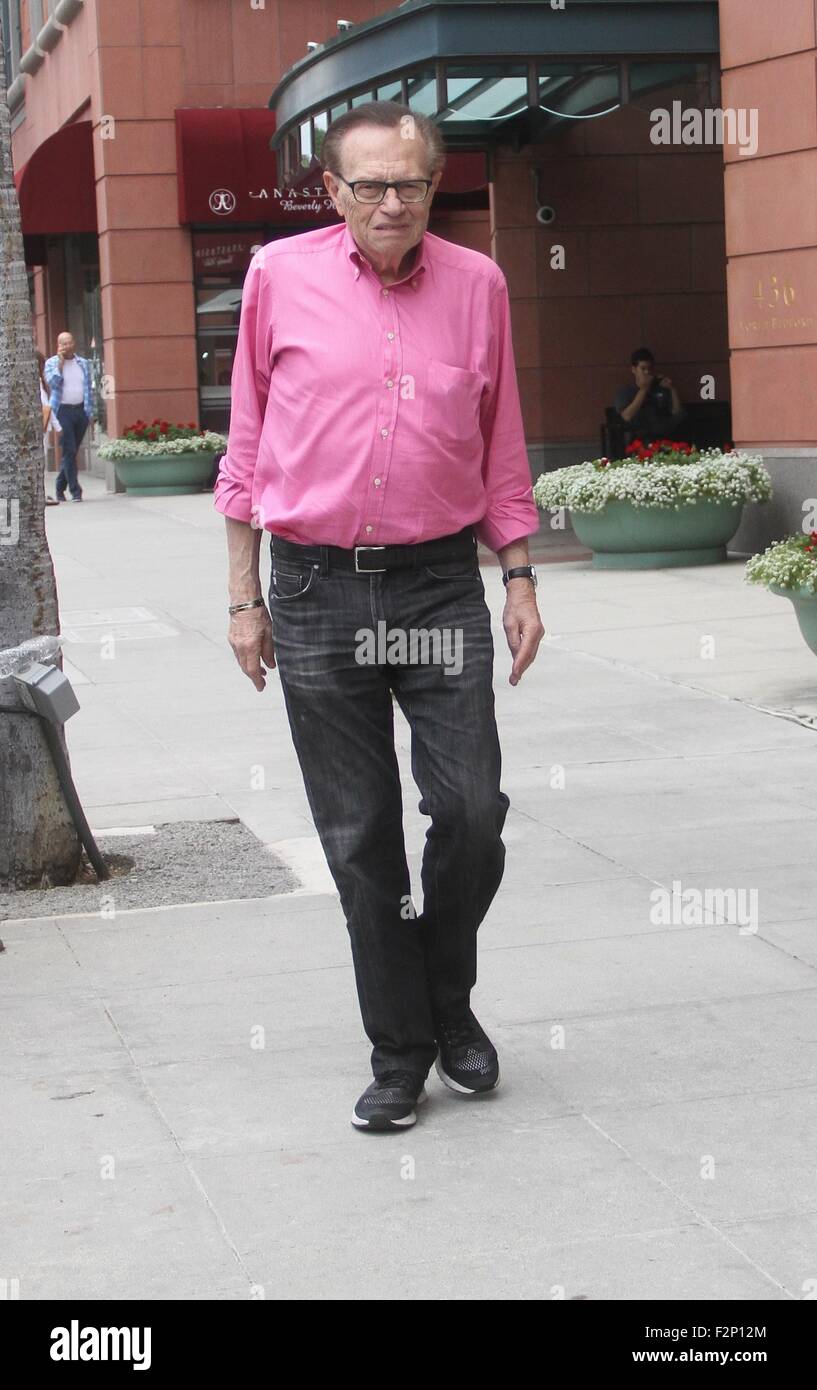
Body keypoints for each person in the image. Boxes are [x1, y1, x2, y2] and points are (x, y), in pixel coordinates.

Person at [214, 100, 545, 1132]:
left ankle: (443, 995)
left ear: (434, 181)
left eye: (409, 182)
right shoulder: (279, 275)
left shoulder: (478, 285)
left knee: (474, 812)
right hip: (314, 588)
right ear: (334, 193)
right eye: (369, 185)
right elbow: (248, 442)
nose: (392, 202)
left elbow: (499, 444)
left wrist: (520, 576)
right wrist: (243, 595)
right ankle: (402, 1048)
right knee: (361, 842)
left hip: (440, 581)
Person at [43, 331, 94, 502]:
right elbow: (53, 383)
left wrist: (90, 413)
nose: (65, 346)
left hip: (81, 411)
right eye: (62, 343)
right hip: (62, 411)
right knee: (70, 450)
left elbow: (89, 389)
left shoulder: (84, 364)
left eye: (68, 342)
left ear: (74, 343)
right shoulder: (51, 363)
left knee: (71, 453)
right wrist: (61, 364)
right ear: (58, 346)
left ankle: (59, 487)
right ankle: (76, 491)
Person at [614, 348, 686, 445]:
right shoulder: (626, 392)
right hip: (639, 440)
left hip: (664, 438)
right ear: (634, 370)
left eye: (650, 368)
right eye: (643, 369)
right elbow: (627, 416)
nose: (647, 372)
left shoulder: (661, 388)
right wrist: (644, 390)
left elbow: (677, 413)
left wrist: (672, 389)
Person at [37, 350, 61, 506]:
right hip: (40, 428)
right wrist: (57, 426)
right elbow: (46, 405)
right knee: (39, 463)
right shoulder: (35, 382)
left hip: (41, 427)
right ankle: (40, 495)